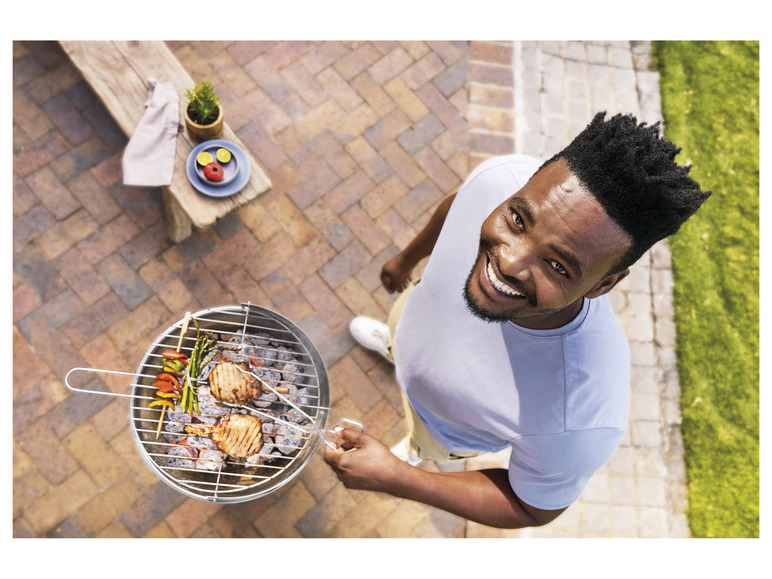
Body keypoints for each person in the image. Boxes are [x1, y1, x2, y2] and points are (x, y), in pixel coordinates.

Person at [323, 112, 711, 529]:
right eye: (519, 221)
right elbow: (458, 205)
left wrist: (399, 478)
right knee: (407, 337)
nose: (507, 261)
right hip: (414, 318)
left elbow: (531, 507)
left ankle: (415, 451)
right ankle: (396, 347)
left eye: (559, 266)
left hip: (441, 427)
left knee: (422, 448)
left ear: (605, 284)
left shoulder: (579, 416)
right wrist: (407, 259)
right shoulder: (500, 178)